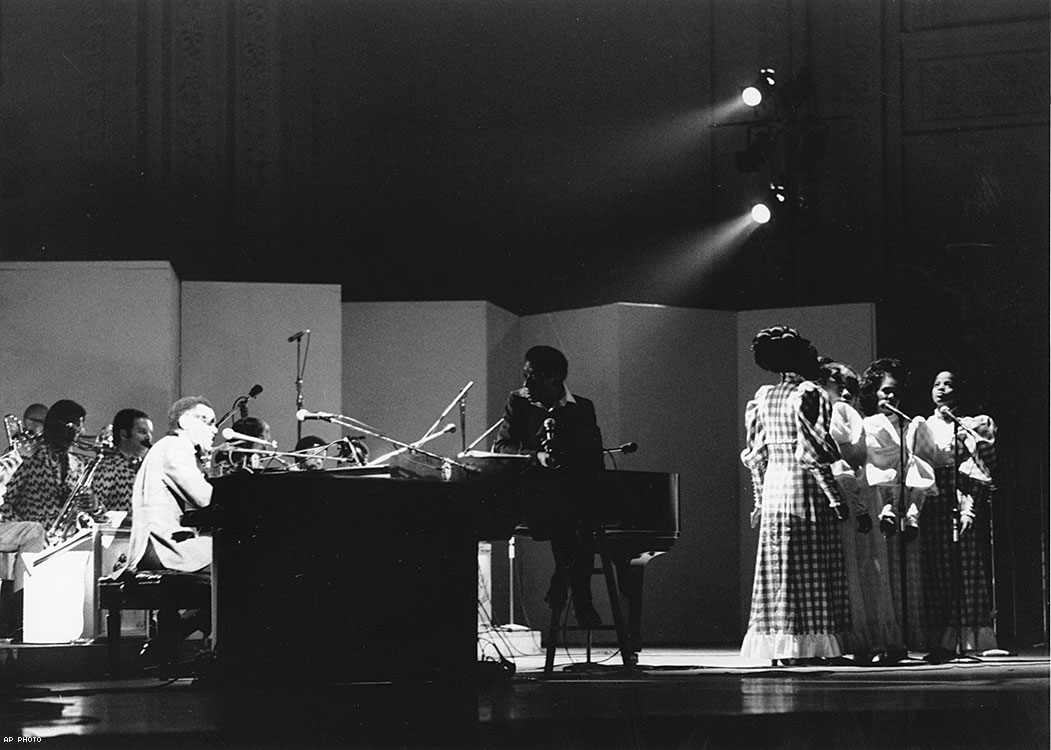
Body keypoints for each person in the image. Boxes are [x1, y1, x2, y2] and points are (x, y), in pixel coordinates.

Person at [740, 326, 850, 664]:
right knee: (810, 568)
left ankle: (782, 646)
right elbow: (813, 453)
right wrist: (835, 497)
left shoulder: (765, 396)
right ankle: (808, 648)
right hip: (803, 488)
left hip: (775, 488)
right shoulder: (808, 392)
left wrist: (760, 500)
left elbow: (757, 456)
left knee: (780, 567)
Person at [493, 345, 604, 627]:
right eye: (525, 376)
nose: (526, 384)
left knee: (579, 510)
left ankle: (562, 579)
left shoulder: (583, 408)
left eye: (533, 378)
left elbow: (593, 457)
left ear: (554, 379)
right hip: (531, 496)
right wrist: (536, 456)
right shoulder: (518, 402)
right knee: (578, 518)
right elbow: (502, 446)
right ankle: (581, 597)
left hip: (569, 500)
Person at [819, 359, 900, 663]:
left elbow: (848, 459)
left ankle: (867, 641)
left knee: (861, 564)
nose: (844, 393)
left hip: (853, 493)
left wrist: (856, 503)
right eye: (839, 385)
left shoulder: (842, 413)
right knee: (861, 566)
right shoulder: (835, 413)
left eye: (850, 388)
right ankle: (866, 640)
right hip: (851, 493)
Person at [913, 370, 998, 656]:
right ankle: (942, 641)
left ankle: (970, 639)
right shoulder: (924, 425)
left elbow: (976, 469)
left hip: (959, 496)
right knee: (938, 571)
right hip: (933, 501)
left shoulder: (970, 425)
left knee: (964, 567)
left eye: (948, 384)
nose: (941, 389)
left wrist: (968, 507)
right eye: (936, 384)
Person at [125, 396, 216, 658]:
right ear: (185, 422)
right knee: (241, 567)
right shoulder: (175, 448)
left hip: (160, 543)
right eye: (208, 422)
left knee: (236, 569)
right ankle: (175, 640)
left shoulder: (169, 448)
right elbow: (204, 498)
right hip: (161, 547)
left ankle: (168, 639)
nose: (215, 429)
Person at [858, 357, 935, 652]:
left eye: (895, 392)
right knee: (879, 570)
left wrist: (913, 506)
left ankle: (904, 637)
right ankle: (883, 640)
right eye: (885, 391)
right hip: (877, 500)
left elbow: (921, 465)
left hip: (905, 503)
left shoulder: (911, 425)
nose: (890, 397)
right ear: (873, 392)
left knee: (904, 571)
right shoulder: (867, 425)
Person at [91, 408, 153, 517]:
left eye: (149, 432)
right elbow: (95, 511)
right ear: (124, 435)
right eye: (142, 432)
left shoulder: (148, 466)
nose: (148, 437)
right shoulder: (106, 467)